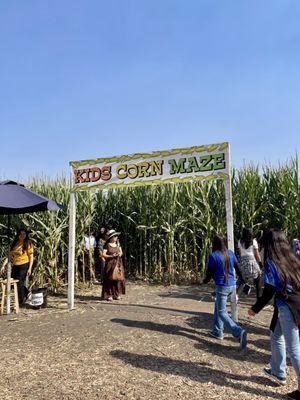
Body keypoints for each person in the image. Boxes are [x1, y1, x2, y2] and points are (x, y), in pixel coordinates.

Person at [248, 229, 300, 400]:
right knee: (276, 334)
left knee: (294, 350)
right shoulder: (291, 259)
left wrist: (255, 309)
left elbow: (269, 291)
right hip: (292, 303)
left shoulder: (271, 262)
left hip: (286, 306)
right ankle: (278, 372)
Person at [203, 234, 247, 350]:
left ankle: (238, 332)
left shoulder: (214, 256)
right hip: (232, 286)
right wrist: (242, 281)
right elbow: (239, 269)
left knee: (222, 312)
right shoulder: (231, 253)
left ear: (214, 243)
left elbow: (209, 273)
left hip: (222, 286)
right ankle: (217, 331)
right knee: (219, 307)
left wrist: (204, 281)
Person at [0, 229, 34, 304]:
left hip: (24, 264)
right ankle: (27, 293)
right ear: (18, 235)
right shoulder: (15, 243)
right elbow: (9, 256)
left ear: (26, 235)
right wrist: (3, 266)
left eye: (24, 234)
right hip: (16, 265)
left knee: (19, 282)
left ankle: (20, 300)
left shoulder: (28, 243)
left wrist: (30, 268)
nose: (22, 236)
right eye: (21, 234)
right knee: (13, 282)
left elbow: (31, 257)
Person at [237, 228, 263, 298]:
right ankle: (259, 298)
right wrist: (260, 264)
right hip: (252, 262)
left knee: (242, 279)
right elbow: (257, 255)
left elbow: (240, 253)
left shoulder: (239, 241)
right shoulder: (254, 242)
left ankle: (236, 296)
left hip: (243, 262)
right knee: (258, 279)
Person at [101, 229, 125, 301]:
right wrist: (111, 256)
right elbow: (103, 254)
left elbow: (121, 252)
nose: (116, 237)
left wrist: (119, 254)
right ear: (111, 237)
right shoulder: (107, 245)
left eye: (116, 236)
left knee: (117, 279)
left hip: (118, 263)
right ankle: (109, 295)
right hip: (110, 264)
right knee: (109, 279)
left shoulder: (118, 244)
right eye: (115, 236)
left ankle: (116, 294)